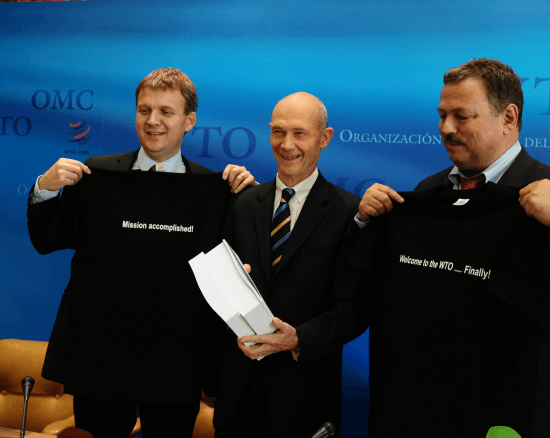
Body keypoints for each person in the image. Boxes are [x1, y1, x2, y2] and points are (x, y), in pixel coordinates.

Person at [357, 59, 550, 438]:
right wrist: (364, 223)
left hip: (508, 417)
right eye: (442, 115)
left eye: (462, 116)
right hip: (424, 410)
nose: (446, 128)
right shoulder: (427, 193)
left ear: (508, 117)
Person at [27, 67, 255, 438]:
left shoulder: (215, 191)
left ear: (189, 121)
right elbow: (46, 238)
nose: (152, 121)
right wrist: (45, 188)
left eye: (166, 111)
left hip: (177, 361)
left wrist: (250, 199)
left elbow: (241, 264)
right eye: (144, 110)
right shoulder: (96, 175)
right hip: (100, 357)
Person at [213, 92, 367, 438]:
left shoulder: (348, 213)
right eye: (278, 132)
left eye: (300, 133)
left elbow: (355, 310)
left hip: (304, 399)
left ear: (324, 138)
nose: (286, 145)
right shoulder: (242, 203)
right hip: (237, 396)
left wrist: (298, 338)